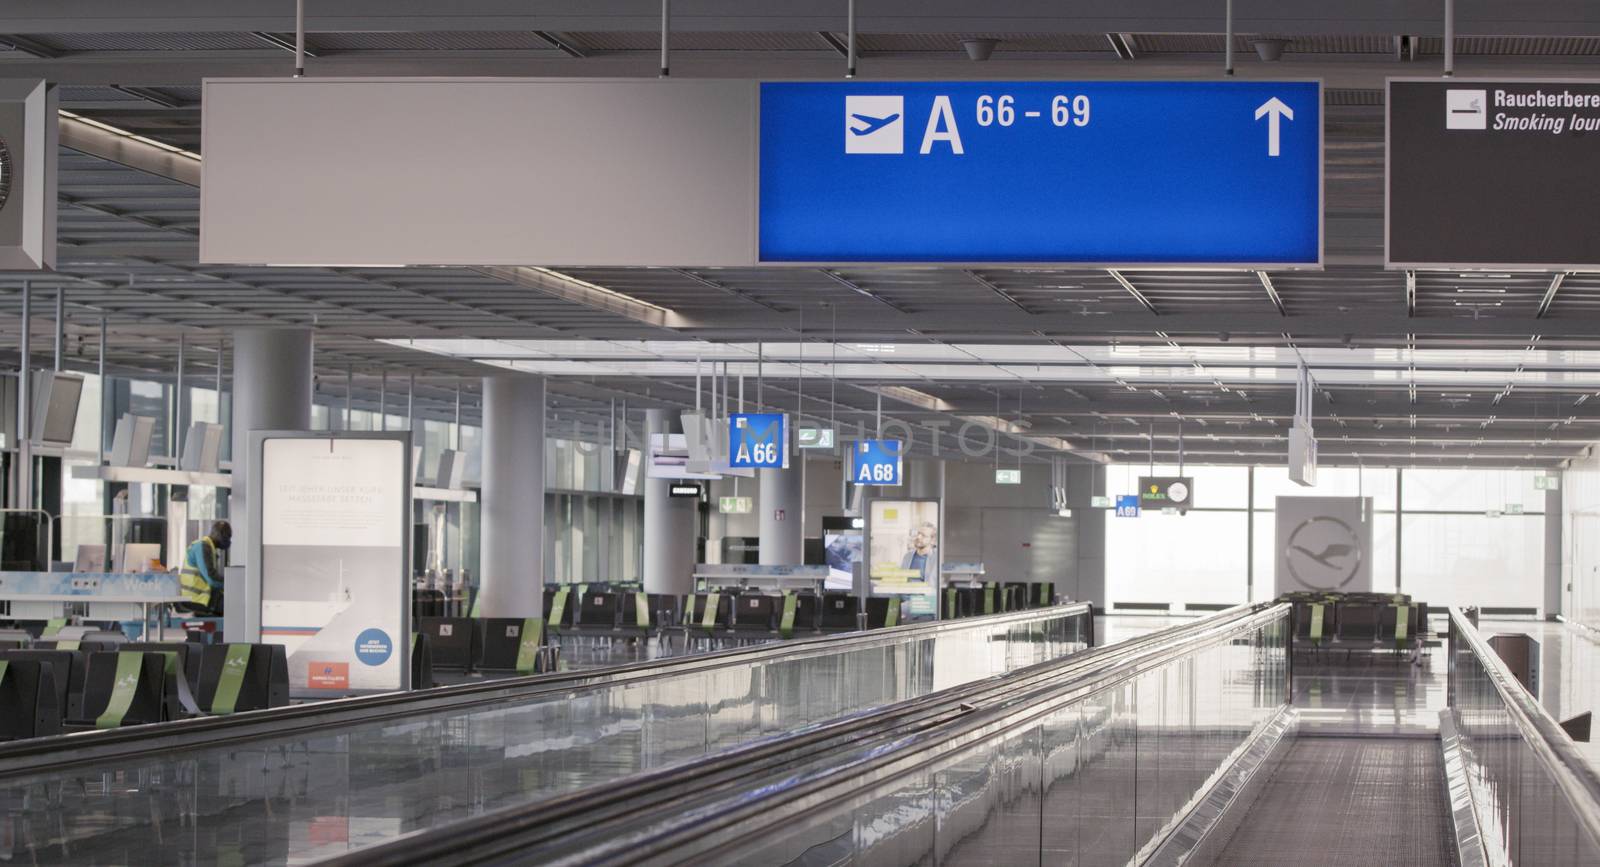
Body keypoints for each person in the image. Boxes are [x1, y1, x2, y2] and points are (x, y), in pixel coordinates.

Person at [177, 520, 231, 616]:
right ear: (219, 535)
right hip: (196, 598)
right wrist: (231, 584)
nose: (228, 541)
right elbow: (211, 578)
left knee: (232, 602)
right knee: (234, 605)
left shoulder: (209, 547)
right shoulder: (203, 547)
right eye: (227, 537)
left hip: (202, 597)